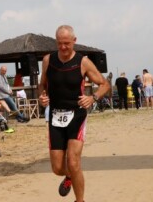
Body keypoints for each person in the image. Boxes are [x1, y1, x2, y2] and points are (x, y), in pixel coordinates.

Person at [38, 25, 110, 202]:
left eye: (67, 43)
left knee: (73, 161)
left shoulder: (83, 62)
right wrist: (42, 96)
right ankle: (70, 176)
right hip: (55, 116)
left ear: (74, 41)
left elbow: (105, 84)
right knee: (57, 167)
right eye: (60, 43)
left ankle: (80, 200)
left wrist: (92, 98)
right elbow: (42, 85)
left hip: (77, 115)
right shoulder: (48, 60)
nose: (63, 47)